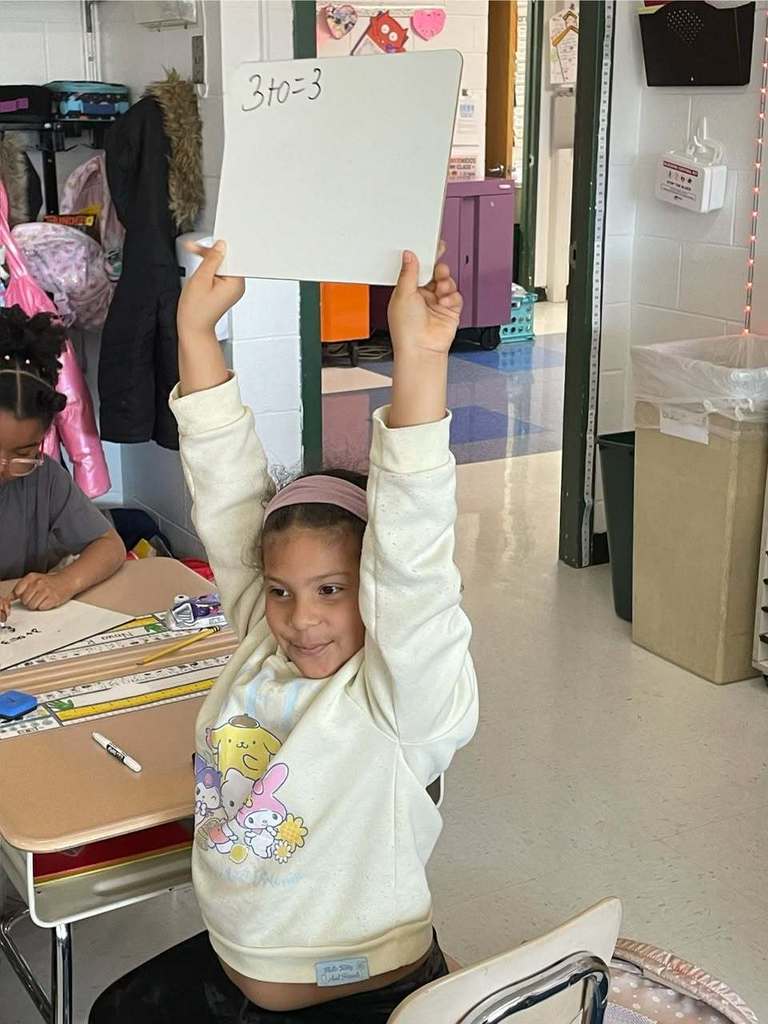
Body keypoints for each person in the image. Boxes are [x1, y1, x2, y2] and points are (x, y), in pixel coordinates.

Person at [89, 240, 478, 1023]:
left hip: (365, 999)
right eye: (281, 591)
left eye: (332, 590)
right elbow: (230, 500)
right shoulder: (268, 643)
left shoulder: (402, 699)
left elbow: (413, 565)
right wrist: (196, 334)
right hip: (239, 971)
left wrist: (419, 358)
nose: (303, 619)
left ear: (369, 588)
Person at [0, 305, 125, 623]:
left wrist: (63, 583)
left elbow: (109, 546)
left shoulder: (44, 479)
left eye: (23, 454)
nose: (3, 468)